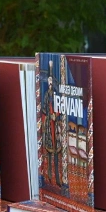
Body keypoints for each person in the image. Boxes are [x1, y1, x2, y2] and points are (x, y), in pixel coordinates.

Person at [41, 60, 65, 190]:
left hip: (55, 126)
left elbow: (60, 107)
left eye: (51, 82)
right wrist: (50, 116)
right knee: (50, 151)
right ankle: (49, 175)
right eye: (48, 82)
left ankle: (58, 177)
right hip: (49, 125)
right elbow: (44, 109)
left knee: (57, 152)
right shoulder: (46, 95)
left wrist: (57, 114)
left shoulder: (56, 95)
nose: (50, 84)